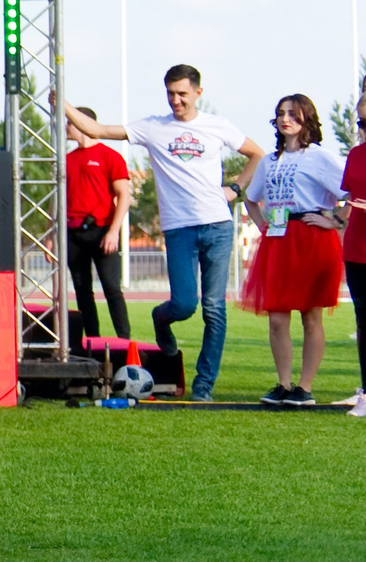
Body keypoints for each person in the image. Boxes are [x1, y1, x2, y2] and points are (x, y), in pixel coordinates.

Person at [65, 66, 265, 401]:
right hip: (179, 229)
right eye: (171, 94)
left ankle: (204, 385)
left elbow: (256, 154)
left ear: (198, 93)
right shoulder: (154, 127)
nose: (176, 100)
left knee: (215, 308)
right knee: (185, 304)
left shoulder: (217, 126)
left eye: (183, 94)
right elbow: (99, 129)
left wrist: (234, 188)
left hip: (217, 225)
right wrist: (66, 107)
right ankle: (161, 318)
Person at [238, 94, 348, 408]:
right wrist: (261, 225)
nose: (286, 119)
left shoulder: (320, 157)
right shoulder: (269, 160)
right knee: (276, 317)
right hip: (278, 239)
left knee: (311, 315)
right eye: (281, 114)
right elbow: (251, 197)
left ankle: (305, 386)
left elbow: (353, 190)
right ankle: (283, 383)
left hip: (311, 237)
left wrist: (335, 220)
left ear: (306, 120)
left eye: (294, 114)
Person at [64, 108, 135, 343]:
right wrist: (51, 234)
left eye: (70, 122)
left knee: (112, 289)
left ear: (84, 124)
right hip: (73, 234)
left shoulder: (110, 156)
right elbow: (58, 198)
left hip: (103, 231)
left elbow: (124, 195)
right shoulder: (66, 160)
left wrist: (114, 231)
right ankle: (92, 340)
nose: (66, 127)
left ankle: (124, 340)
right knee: (82, 292)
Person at [342, 76, 366, 416]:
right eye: (362, 122)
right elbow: (350, 200)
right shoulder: (356, 154)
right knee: (363, 321)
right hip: (357, 250)